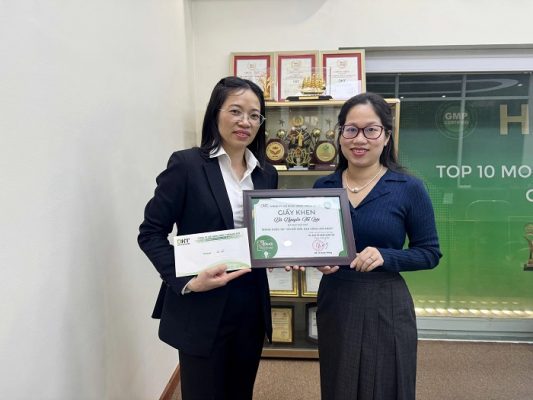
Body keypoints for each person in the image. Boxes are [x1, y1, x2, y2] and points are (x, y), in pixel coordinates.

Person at [138, 76, 278, 400]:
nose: (245, 122)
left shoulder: (266, 173)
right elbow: (151, 233)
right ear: (216, 113)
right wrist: (188, 281)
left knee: (240, 391)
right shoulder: (187, 165)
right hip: (202, 303)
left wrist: (284, 251)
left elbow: (265, 233)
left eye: (254, 115)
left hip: (250, 302)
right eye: (236, 111)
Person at [313, 92, 442, 400]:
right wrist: (317, 259)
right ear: (340, 135)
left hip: (386, 302)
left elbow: (429, 253)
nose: (360, 139)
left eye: (371, 130)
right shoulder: (323, 186)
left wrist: (386, 256)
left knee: (386, 383)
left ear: (386, 136)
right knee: (339, 383)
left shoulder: (409, 187)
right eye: (351, 129)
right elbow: (316, 240)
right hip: (336, 299)